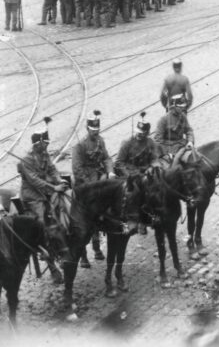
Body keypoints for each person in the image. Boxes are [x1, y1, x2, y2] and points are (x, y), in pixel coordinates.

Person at [16, 126, 65, 283]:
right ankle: (50, 262)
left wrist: (59, 179)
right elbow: (35, 181)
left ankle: (64, 248)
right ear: (37, 144)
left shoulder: (44, 154)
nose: (47, 147)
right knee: (42, 224)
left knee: (63, 210)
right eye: (45, 144)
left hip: (46, 192)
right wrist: (54, 187)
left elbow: (52, 169)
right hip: (33, 196)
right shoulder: (26, 161)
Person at [71, 111, 115, 265]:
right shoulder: (79, 146)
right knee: (86, 217)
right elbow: (77, 169)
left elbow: (107, 158)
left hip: (100, 177)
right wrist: (93, 184)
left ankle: (97, 247)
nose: (95, 132)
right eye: (92, 130)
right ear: (87, 129)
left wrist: (110, 172)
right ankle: (82, 255)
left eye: (97, 130)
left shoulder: (100, 141)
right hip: (85, 184)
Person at [115, 113, 160, 178]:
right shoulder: (127, 142)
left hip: (146, 172)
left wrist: (152, 167)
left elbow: (155, 159)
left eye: (142, 133)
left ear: (147, 133)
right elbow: (119, 162)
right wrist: (128, 175)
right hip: (130, 172)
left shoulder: (150, 142)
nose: (139, 134)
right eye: (138, 132)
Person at [154, 94, 195, 162]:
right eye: (180, 107)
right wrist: (167, 153)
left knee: (195, 158)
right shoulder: (163, 120)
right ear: (174, 106)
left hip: (181, 145)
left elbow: (189, 130)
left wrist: (190, 141)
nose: (183, 108)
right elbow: (158, 140)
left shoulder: (182, 116)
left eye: (183, 107)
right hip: (169, 148)